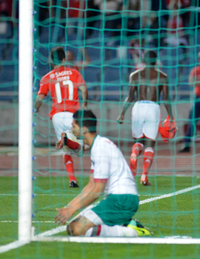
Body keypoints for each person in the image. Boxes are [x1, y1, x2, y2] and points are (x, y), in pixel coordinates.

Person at [55, 109, 152, 237]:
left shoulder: (100, 147)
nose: (71, 129)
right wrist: (69, 207)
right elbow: (90, 185)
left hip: (122, 200)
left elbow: (97, 190)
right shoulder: (97, 145)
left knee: (78, 230)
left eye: (74, 126)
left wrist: (71, 209)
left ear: (84, 129)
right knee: (72, 227)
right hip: (116, 199)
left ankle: (132, 232)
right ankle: (125, 224)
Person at [117, 50, 174, 186]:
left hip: (138, 107)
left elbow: (130, 96)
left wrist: (122, 113)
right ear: (156, 61)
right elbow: (166, 98)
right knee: (150, 143)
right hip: (153, 108)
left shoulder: (135, 75)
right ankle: (144, 176)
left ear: (144, 61)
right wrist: (171, 116)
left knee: (138, 141)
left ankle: (134, 154)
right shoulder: (162, 76)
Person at [34, 46, 88, 187]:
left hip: (57, 116)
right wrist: (85, 105)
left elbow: (39, 98)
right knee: (81, 149)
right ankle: (68, 141)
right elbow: (83, 88)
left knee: (66, 150)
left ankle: (72, 180)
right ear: (64, 59)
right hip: (72, 114)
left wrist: (35, 109)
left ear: (52, 61)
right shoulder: (74, 72)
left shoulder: (46, 78)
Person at [179, 51, 200, 153]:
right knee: (192, 121)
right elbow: (192, 82)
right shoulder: (195, 70)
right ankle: (186, 145)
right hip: (197, 98)